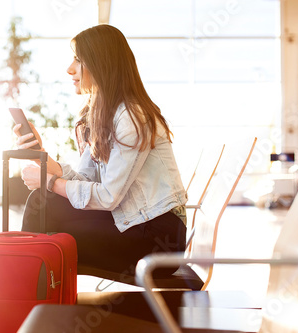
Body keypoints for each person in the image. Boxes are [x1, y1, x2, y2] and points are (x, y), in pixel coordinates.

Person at [13, 24, 188, 278]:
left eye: (78, 60)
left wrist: (50, 182)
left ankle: (21, 288)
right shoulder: (105, 115)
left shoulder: (131, 117)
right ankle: (28, 288)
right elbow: (86, 181)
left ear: (100, 65)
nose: (69, 69)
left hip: (157, 239)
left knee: (49, 220)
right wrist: (41, 154)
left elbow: (107, 197)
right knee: (45, 206)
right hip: (133, 222)